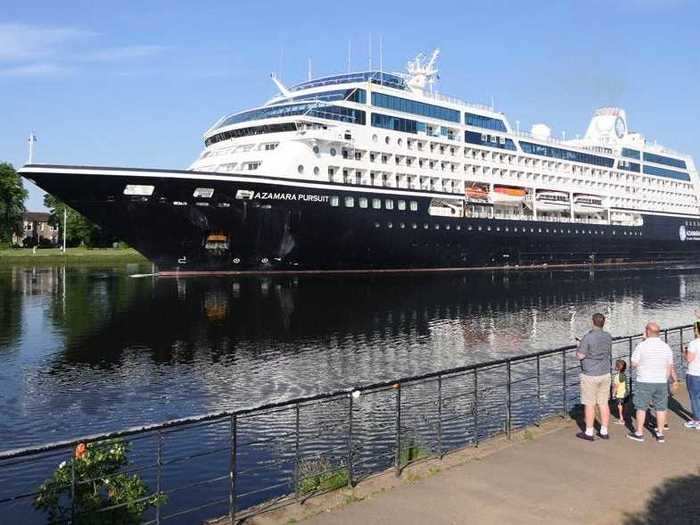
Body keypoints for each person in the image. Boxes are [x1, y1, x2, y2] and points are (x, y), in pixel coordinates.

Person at [628, 322, 674, 443]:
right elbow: (669, 365)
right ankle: (660, 433)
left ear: (647, 331)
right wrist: (666, 379)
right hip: (661, 380)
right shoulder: (666, 347)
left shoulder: (642, 346)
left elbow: (633, 363)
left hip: (644, 380)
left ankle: (639, 432)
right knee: (660, 408)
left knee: (641, 407)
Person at [575, 313, 613, 441]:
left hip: (590, 374)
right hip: (605, 372)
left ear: (592, 321)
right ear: (603, 323)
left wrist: (579, 346)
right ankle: (604, 430)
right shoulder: (608, 336)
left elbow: (580, 355)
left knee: (590, 404)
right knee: (603, 403)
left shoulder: (587, 337)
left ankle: (589, 432)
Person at [683, 321, 700, 429]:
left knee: (695, 397)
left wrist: (684, 352)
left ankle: (697, 420)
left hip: (694, 373)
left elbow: (689, 359)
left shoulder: (693, 343)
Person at [611, 359, 627, 424]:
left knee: (619, 406)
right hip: (625, 393)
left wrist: (613, 394)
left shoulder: (617, 376)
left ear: (617, 367)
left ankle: (621, 419)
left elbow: (615, 386)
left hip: (620, 394)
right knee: (624, 405)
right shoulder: (624, 375)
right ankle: (624, 416)